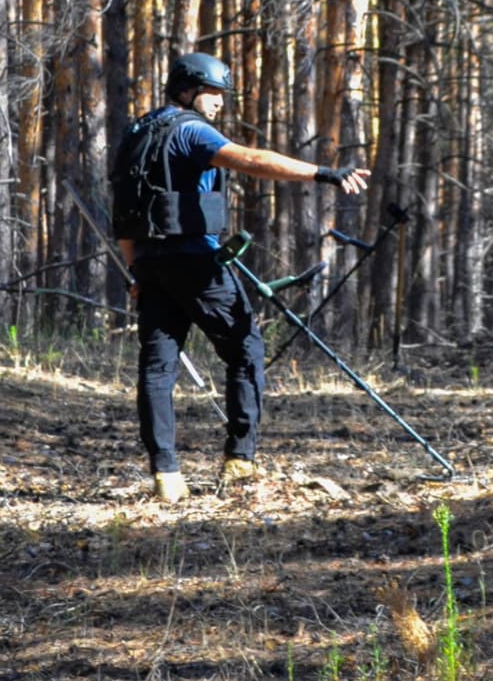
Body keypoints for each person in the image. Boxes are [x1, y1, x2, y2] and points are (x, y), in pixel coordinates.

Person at [115, 52, 369, 503]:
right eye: (214, 94)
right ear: (190, 90)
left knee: (157, 367)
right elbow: (250, 159)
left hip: (151, 264)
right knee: (247, 348)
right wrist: (325, 173)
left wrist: (135, 268)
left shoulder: (138, 132)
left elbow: (122, 214)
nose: (219, 104)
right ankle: (239, 462)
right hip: (195, 261)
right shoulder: (191, 130)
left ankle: (166, 474)